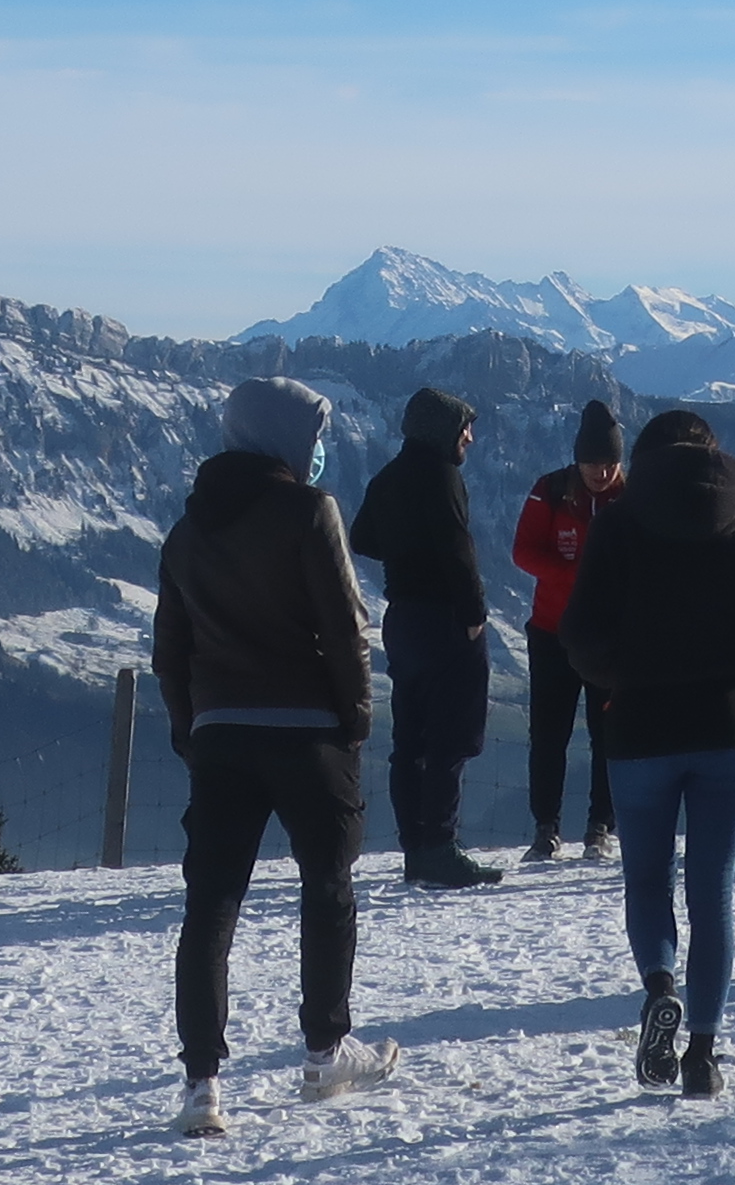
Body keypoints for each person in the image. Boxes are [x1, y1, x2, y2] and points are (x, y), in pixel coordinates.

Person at [155, 375, 393, 1136]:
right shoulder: (310, 511)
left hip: (222, 734)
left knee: (211, 904)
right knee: (327, 886)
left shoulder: (187, 531)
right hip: (307, 730)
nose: (321, 451)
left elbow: (171, 650)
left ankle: (202, 1084)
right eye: (315, 436)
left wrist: (193, 729)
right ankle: (325, 1052)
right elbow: (343, 624)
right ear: (289, 439)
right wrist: (354, 719)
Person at [556, 406, 735, 1098]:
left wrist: (621, 675)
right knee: (712, 889)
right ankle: (701, 1052)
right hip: (727, 729)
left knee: (645, 877)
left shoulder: (618, 525)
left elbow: (578, 633)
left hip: (638, 729)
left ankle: (659, 984)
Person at [348, 385, 506, 890]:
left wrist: (405, 553)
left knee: (409, 738)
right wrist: (474, 612)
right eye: (464, 429)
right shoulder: (443, 476)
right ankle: (440, 846)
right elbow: (458, 547)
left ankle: (414, 846)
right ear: (443, 432)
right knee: (451, 737)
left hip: (403, 618)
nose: (471, 439)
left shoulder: (389, 476)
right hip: (444, 618)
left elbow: (362, 539)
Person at [512, 399, 628, 863]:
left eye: (609, 463)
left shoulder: (631, 497)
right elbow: (524, 552)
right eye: (592, 463)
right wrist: (582, 573)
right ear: (577, 460)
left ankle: (601, 825)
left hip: (610, 637)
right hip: (552, 631)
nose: (600, 473)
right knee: (549, 733)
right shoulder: (552, 490)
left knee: (609, 733)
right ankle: (546, 826)